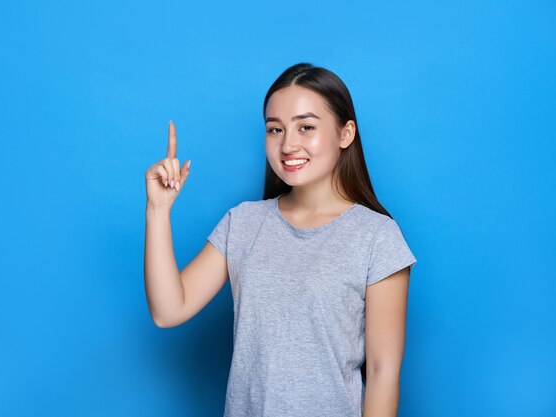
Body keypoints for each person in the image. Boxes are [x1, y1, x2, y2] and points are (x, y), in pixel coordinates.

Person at [144, 63, 417, 417]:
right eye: (276, 129)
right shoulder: (242, 223)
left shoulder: (377, 237)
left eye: (306, 127)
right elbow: (168, 310)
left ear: (345, 133)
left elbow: (383, 373)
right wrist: (157, 210)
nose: (288, 144)